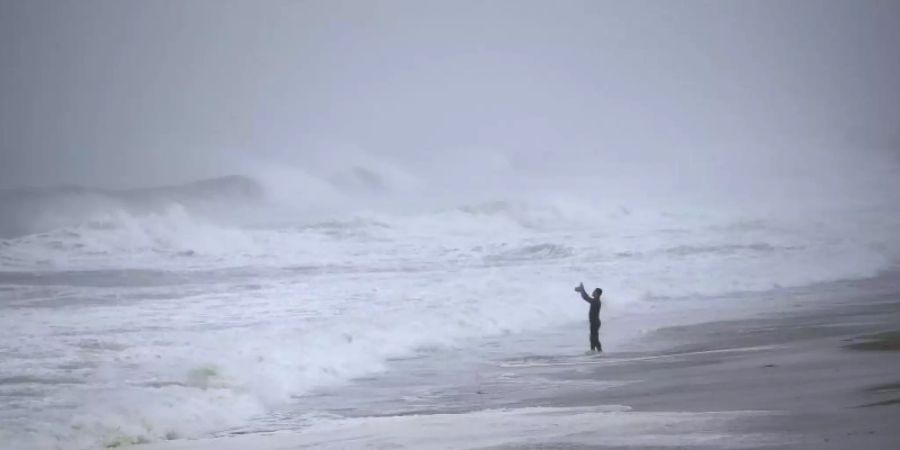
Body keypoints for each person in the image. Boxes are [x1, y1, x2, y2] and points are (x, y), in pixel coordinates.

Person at [574, 282, 603, 352]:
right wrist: (582, 290)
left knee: (594, 338)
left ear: (597, 294)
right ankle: (593, 351)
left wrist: (582, 290)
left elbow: (586, 298)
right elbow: (586, 298)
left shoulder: (596, 301)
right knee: (592, 338)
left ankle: (599, 351)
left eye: (594, 291)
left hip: (595, 323)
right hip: (594, 322)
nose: (593, 292)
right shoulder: (595, 300)